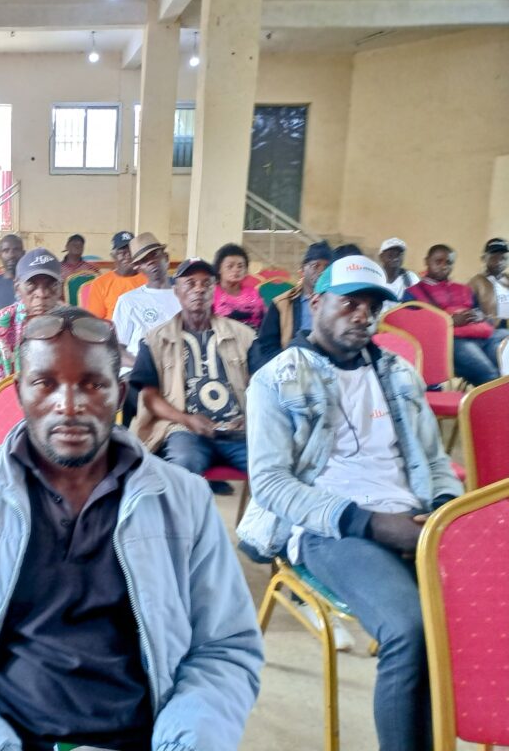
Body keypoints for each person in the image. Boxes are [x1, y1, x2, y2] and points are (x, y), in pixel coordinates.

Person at [0, 306, 263, 751]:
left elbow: (225, 647)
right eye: (45, 383)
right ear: (19, 392)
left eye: (92, 385)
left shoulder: (183, 501)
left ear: (119, 394)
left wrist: (185, 743)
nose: (69, 405)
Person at [237, 255, 463, 751]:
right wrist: (373, 524)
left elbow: (436, 458)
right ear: (316, 303)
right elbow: (272, 484)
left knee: (471, 617)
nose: (362, 316)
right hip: (331, 528)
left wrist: (444, 509)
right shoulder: (277, 379)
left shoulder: (400, 373)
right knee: (409, 629)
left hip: (418, 516)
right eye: (349, 303)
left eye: (372, 307)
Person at [131, 258, 255, 492]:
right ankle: (181, 527)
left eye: (206, 284)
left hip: (237, 430)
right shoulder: (155, 339)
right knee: (183, 467)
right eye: (190, 283)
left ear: (214, 290)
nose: (198, 289)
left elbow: (262, 383)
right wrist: (186, 419)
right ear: (176, 291)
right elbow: (149, 396)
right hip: (184, 429)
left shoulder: (243, 335)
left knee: (270, 468)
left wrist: (251, 416)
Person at [0, 248, 63, 451]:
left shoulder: (77, 326)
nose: (42, 294)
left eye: (51, 285)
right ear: (18, 287)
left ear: (60, 289)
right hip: (8, 428)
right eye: (32, 285)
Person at [405, 243, 509, 386]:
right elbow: (412, 328)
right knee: (490, 375)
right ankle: (491, 403)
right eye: (438, 261)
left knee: (504, 338)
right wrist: (449, 321)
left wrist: (480, 317)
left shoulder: (463, 289)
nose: (443, 266)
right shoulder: (413, 293)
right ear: (427, 261)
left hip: (480, 334)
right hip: (450, 341)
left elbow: (478, 310)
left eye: (448, 262)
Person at [249, 240, 333, 373]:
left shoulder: (338, 305)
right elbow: (267, 346)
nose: (321, 272)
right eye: (315, 266)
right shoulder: (282, 304)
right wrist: (287, 366)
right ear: (302, 270)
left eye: (327, 268)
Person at [111, 232, 180, 363]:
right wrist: (143, 368)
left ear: (166, 258)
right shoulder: (128, 301)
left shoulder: (185, 298)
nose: (152, 262)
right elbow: (118, 350)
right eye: (144, 261)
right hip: (139, 369)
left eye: (155, 255)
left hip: (177, 367)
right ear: (137, 267)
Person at [84, 230, 147, 319]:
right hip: (112, 331)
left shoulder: (149, 280)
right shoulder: (100, 283)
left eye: (131, 252)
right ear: (113, 256)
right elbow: (94, 321)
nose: (128, 256)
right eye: (122, 252)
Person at [212, 243, 265, 329]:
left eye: (240, 266)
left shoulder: (254, 293)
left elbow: (264, 322)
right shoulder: (210, 294)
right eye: (230, 266)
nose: (236, 270)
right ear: (219, 269)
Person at [468, 237, 509, 329]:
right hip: (492, 330)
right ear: (483, 258)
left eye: (503, 258)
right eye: (494, 257)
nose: (499, 261)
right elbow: (472, 311)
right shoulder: (476, 283)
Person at [376, 237, 420, 309]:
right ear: (381, 257)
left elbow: (418, 303)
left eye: (399, 254)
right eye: (390, 254)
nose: (396, 258)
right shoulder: (374, 277)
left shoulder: (410, 278)